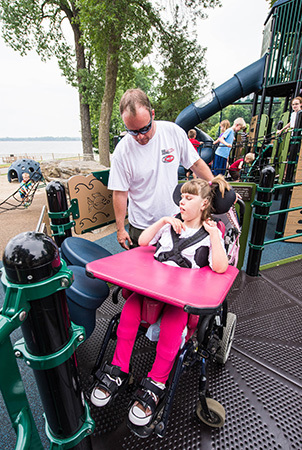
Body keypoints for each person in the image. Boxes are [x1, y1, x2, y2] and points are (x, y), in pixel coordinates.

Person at [91, 176, 230, 427]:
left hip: (180, 299)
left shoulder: (210, 234)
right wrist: (163, 220)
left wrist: (214, 236)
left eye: (189, 198)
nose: (182, 202)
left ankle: (156, 382)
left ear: (204, 203)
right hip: (151, 291)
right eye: (181, 198)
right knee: (128, 313)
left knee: (172, 328)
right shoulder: (169, 227)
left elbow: (220, 267)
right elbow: (143, 242)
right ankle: (118, 369)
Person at [108, 88, 214, 250]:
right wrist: (120, 229)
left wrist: (216, 185)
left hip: (174, 220)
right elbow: (120, 192)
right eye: (133, 132)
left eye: (145, 128)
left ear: (153, 114)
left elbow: (196, 164)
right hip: (142, 226)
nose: (141, 136)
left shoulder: (173, 132)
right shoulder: (122, 152)